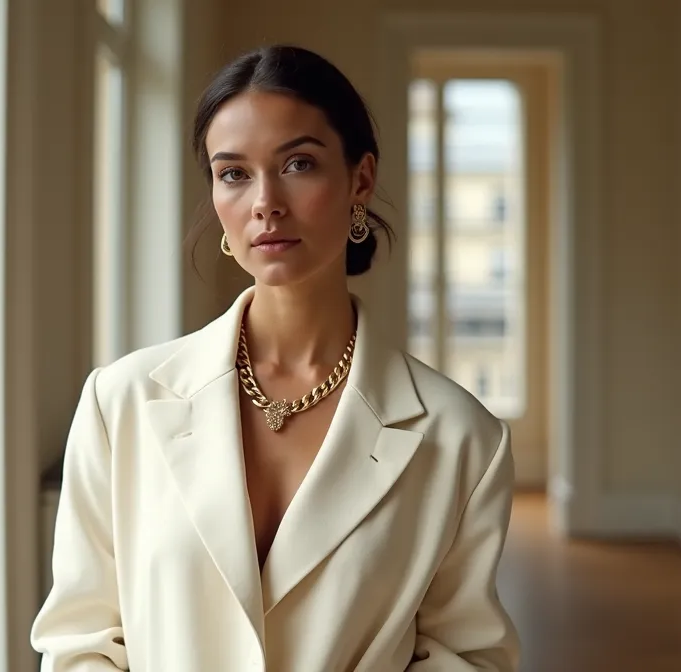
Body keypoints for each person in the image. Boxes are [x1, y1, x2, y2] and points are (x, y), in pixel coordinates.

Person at [30, 44, 520, 671]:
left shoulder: (462, 439)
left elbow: (467, 656)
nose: (265, 201)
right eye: (233, 173)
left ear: (360, 180)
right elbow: (80, 643)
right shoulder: (119, 401)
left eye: (298, 163)